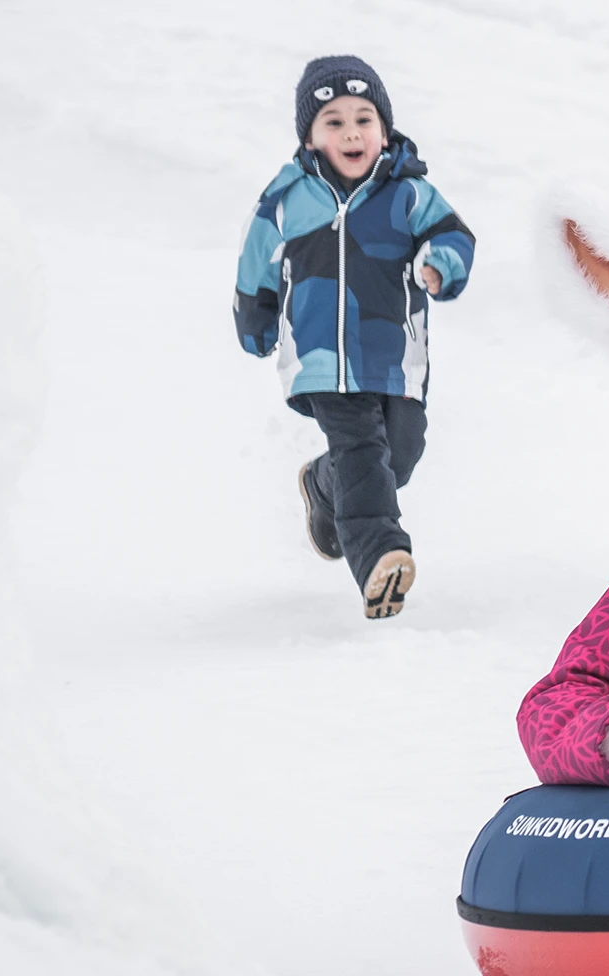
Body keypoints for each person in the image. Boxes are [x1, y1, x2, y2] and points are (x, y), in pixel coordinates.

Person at [234, 55, 474, 618]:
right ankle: (380, 558)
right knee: (362, 449)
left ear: (384, 130)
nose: (351, 132)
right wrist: (255, 319)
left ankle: (323, 485)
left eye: (363, 119)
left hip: (394, 356)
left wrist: (440, 263)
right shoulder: (288, 197)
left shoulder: (408, 194)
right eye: (334, 122)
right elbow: (256, 262)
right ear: (311, 138)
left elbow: (454, 237)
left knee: (400, 455)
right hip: (321, 359)